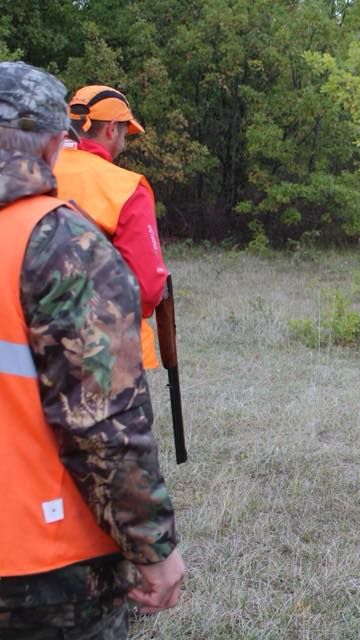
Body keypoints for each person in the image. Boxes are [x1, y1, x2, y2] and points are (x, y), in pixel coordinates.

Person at [0, 61, 185, 639]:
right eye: (126, 130)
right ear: (61, 139)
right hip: (42, 560)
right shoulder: (75, 228)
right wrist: (152, 546)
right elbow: (102, 419)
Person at [53, 83, 168, 370]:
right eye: (125, 133)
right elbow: (146, 290)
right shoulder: (126, 187)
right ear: (111, 129)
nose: (123, 143)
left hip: (23, 344)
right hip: (105, 353)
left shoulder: (27, 171)